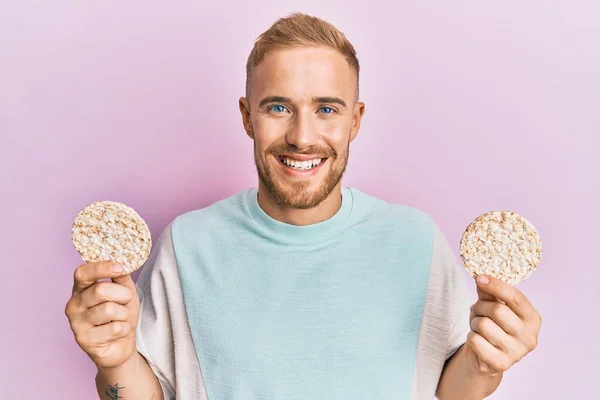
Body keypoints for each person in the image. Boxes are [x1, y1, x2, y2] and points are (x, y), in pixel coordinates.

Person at [65, 12, 542, 400]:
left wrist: (483, 363)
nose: (302, 136)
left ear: (355, 121)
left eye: (327, 109)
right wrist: (115, 360)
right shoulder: (188, 245)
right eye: (277, 107)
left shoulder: (416, 241)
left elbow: (447, 394)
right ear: (247, 117)